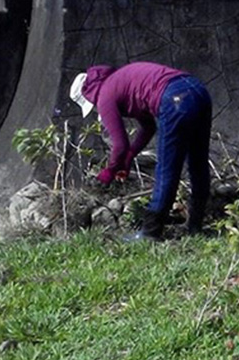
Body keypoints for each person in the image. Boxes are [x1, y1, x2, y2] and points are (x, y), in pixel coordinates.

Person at [69, 61, 212, 240]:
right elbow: (148, 127)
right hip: (197, 90)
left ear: (89, 94)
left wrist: (109, 171)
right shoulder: (120, 82)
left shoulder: (105, 95)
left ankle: (150, 232)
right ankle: (195, 226)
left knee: (166, 168)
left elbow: (119, 145)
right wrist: (129, 157)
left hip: (174, 98)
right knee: (198, 162)